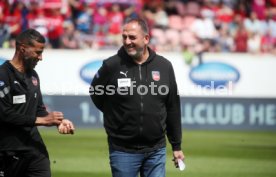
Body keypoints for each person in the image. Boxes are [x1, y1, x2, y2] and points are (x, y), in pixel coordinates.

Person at [90, 18, 185, 177]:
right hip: (122, 151)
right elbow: (96, 92)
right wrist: (115, 113)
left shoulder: (164, 66)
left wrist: (176, 146)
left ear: (146, 38)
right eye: (124, 37)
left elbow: (172, 107)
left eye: (132, 37)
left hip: (156, 150)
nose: (127, 42)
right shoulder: (111, 65)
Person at [0, 29, 75, 177]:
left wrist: (57, 121)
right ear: (22, 49)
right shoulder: (3, 75)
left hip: (34, 148)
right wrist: (42, 120)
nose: (41, 58)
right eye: (37, 52)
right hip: (7, 149)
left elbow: (39, 109)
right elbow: (4, 114)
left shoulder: (33, 75)